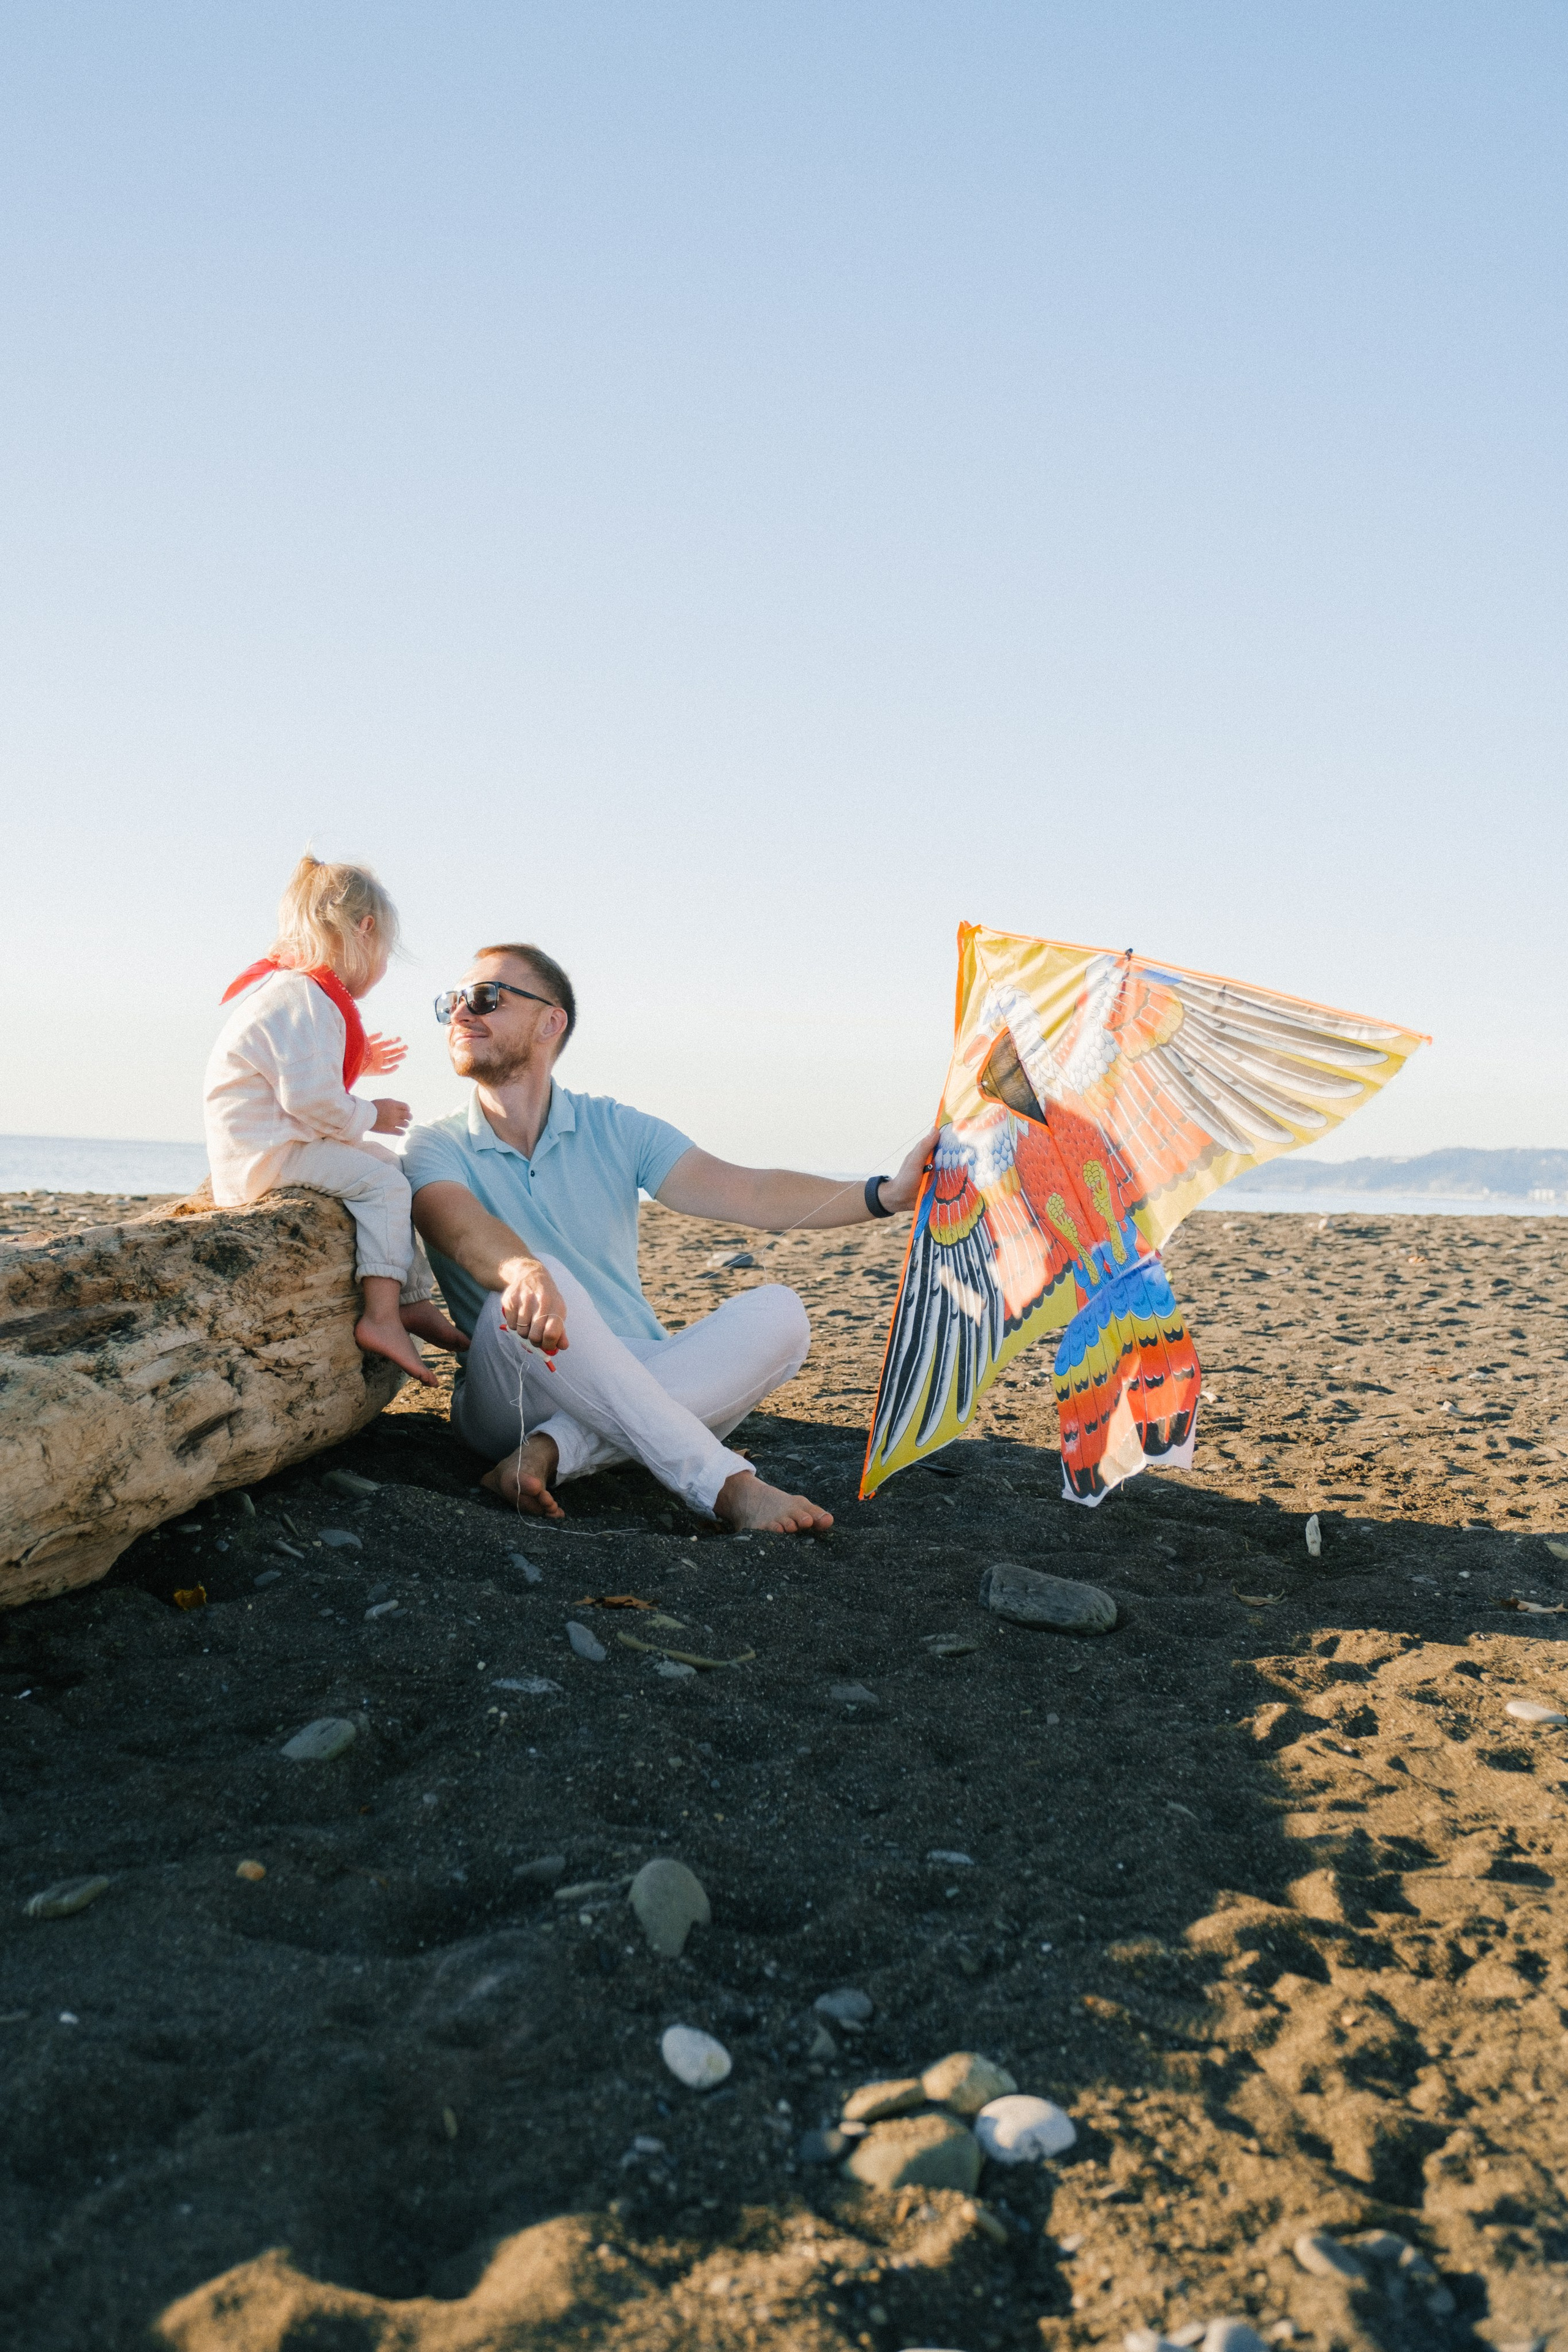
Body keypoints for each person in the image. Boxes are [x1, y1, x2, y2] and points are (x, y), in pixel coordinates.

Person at [404, 942, 933, 1533]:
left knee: (781, 1313)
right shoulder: (434, 1145)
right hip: (513, 1385)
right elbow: (459, 1227)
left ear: (551, 1021)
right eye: (451, 1001)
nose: (461, 1013)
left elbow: (747, 1193)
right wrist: (524, 1272)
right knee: (535, 1279)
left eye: (485, 998)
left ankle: (556, 1453)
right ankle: (728, 1486)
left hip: (643, 1370)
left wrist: (886, 1195)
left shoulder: (615, 1126)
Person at [204, 854, 467, 1387]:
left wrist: (360, 1063)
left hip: (274, 1143)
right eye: (386, 951)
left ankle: (411, 1300)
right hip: (264, 1155)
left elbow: (303, 1074)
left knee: (391, 1167)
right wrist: (373, 1113)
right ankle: (381, 1318)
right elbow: (310, 1099)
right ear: (364, 930)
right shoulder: (303, 995)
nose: (383, 965)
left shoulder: (301, 994)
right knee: (384, 1186)